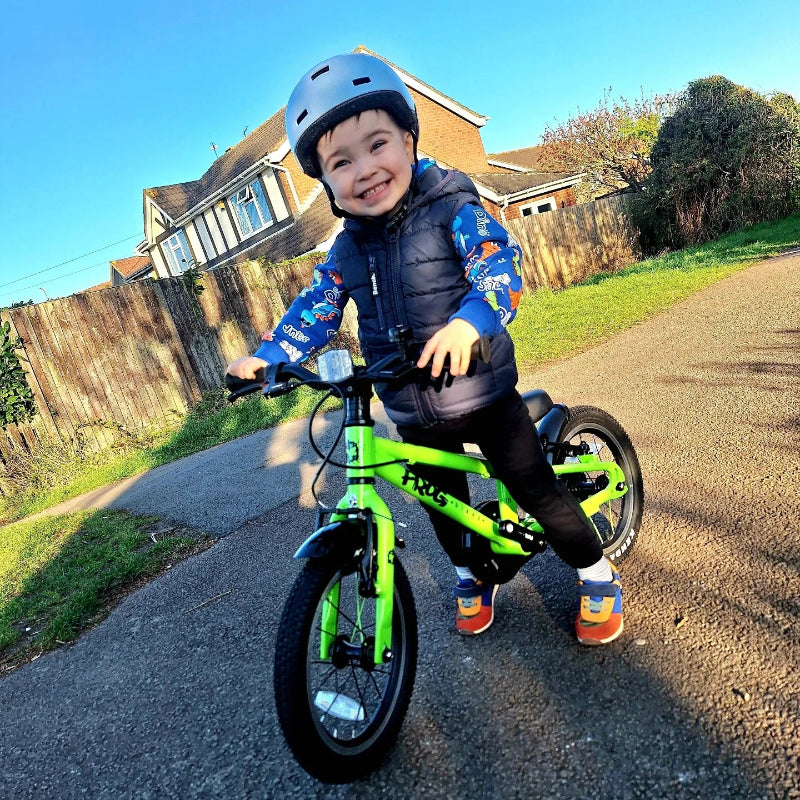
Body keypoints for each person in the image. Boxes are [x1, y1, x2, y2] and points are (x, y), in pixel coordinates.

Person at [227, 52, 623, 645]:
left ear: (409, 140)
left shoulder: (452, 208)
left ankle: (596, 574)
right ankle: (471, 576)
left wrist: (470, 323)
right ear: (325, 180)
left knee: (534, 488)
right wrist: (273, 352)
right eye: (341, 161)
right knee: (442, 509)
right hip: (411, 402)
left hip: (482, 387)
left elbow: (499, 267)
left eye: (377, 144)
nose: (364, 169)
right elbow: (317, 306)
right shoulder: (346, 249)